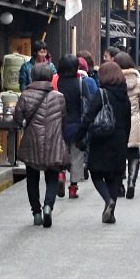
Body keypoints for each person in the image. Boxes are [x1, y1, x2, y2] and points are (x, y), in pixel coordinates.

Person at [74, 61, 131, 224]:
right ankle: (111, 212)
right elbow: (127, 121)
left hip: (102, 138)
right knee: (114, 176)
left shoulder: (101, 93)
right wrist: (125, 141)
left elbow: (88, 117)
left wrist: (79, 136)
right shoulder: (124, 95)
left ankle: (108, 200)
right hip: (119, 138)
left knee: (97, 173)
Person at [13, 62, 68, 227]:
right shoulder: (59, 97)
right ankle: (48, 207)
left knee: (32, 178)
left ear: (33, 76)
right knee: (52, 177)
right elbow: (64, 119)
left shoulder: (25, 95)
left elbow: (17, 118)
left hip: (32, 141)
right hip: (53, 141)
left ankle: (36, 212)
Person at [54, 54, 89, 199]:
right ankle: (73, 187)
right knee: (76, 156)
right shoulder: (81, 83)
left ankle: (61, 175)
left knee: (60, 154)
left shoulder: (56, 83)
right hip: (76, 125)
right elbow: (87, 104)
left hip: (58, 124)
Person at [113, 52, 140, 199]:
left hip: (118, 119)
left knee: (118, 154)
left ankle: (119, 185)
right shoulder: (138, 81)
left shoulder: (113, 80)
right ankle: (131, 183)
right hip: (133, 118)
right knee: (133, 152)